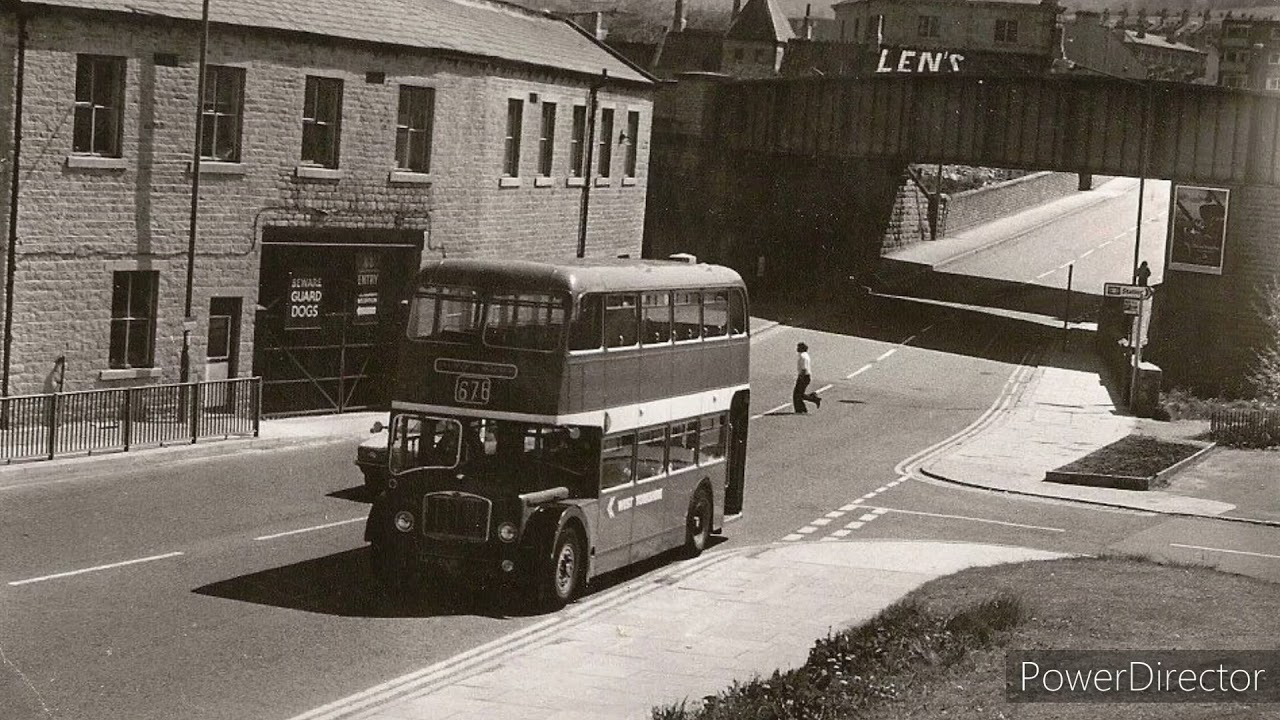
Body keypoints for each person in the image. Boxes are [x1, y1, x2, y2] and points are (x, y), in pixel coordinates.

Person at [793, 342, 822, 414]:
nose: (797, 348)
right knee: (799, 394)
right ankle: (802, 409)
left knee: (797, 394)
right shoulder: (804, 355)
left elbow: (804, 368)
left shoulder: (803, 356)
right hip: (805, 376)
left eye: (798, 347)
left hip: (804, 376)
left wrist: (800, 377)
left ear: (802, 348)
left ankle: (802, 408)